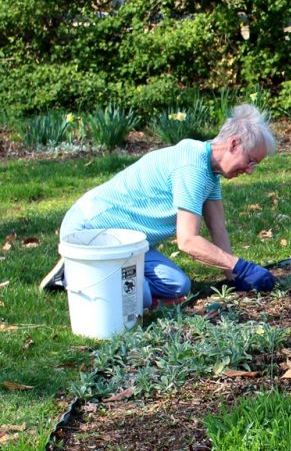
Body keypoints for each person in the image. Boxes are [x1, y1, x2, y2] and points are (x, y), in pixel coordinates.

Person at [40, 103, 277, 306]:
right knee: (136, 296)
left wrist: (234, 276)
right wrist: (242, 267)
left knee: (178, 286)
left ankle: (91, 271)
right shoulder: (191, 166)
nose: (249, 170)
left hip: (128, 240)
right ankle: (76, 272)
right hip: (90, 229)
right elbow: (188, 241)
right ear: (234, 144)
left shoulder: (209, 170)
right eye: (250, 161)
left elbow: (218, 229)